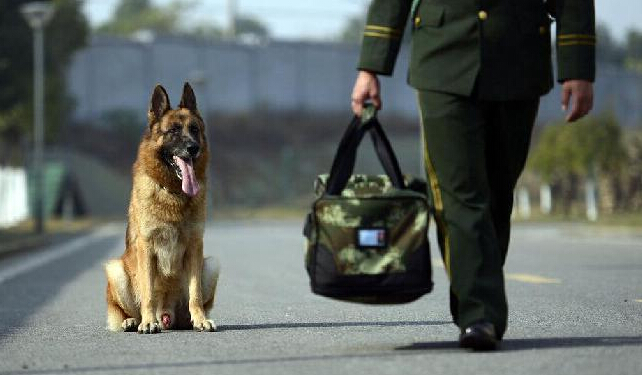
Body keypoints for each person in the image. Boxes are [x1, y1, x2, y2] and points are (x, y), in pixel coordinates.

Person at [350, 0, 595, 350]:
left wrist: (578, 65)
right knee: (461, 194)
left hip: (519, 54)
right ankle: (478, 313)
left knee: (497, 193)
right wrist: (370, 68)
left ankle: (476, 299)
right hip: (442, 57)